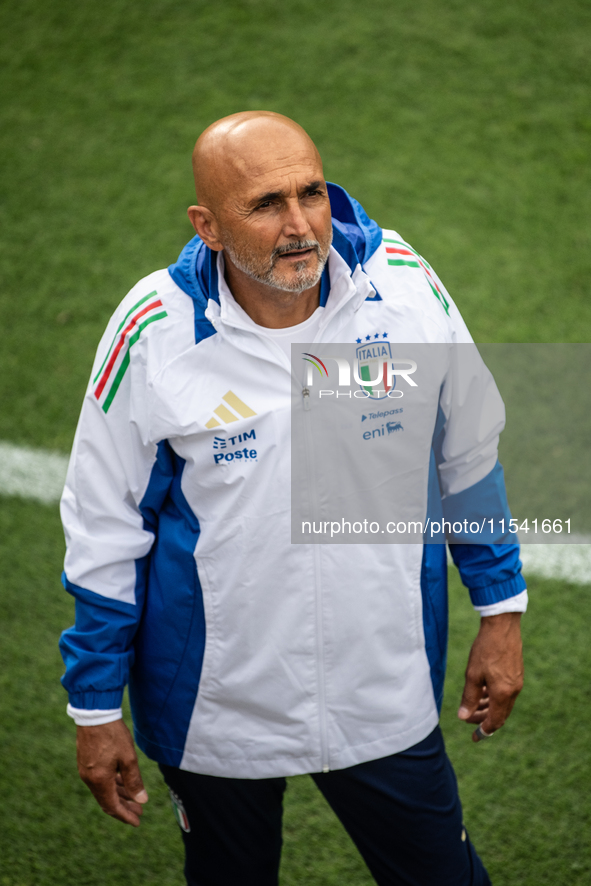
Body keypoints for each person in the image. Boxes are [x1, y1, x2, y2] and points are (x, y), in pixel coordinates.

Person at [59, 111, 526, 886]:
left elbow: (468, 449)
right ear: (207, 225)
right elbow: (104, 525)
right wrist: (95, 707)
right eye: (265, 204)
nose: (302, 225)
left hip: (383, 686)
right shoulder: (152, 329)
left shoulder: (402, 289)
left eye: (311, 192)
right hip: (217, 707)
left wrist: (500, 614)